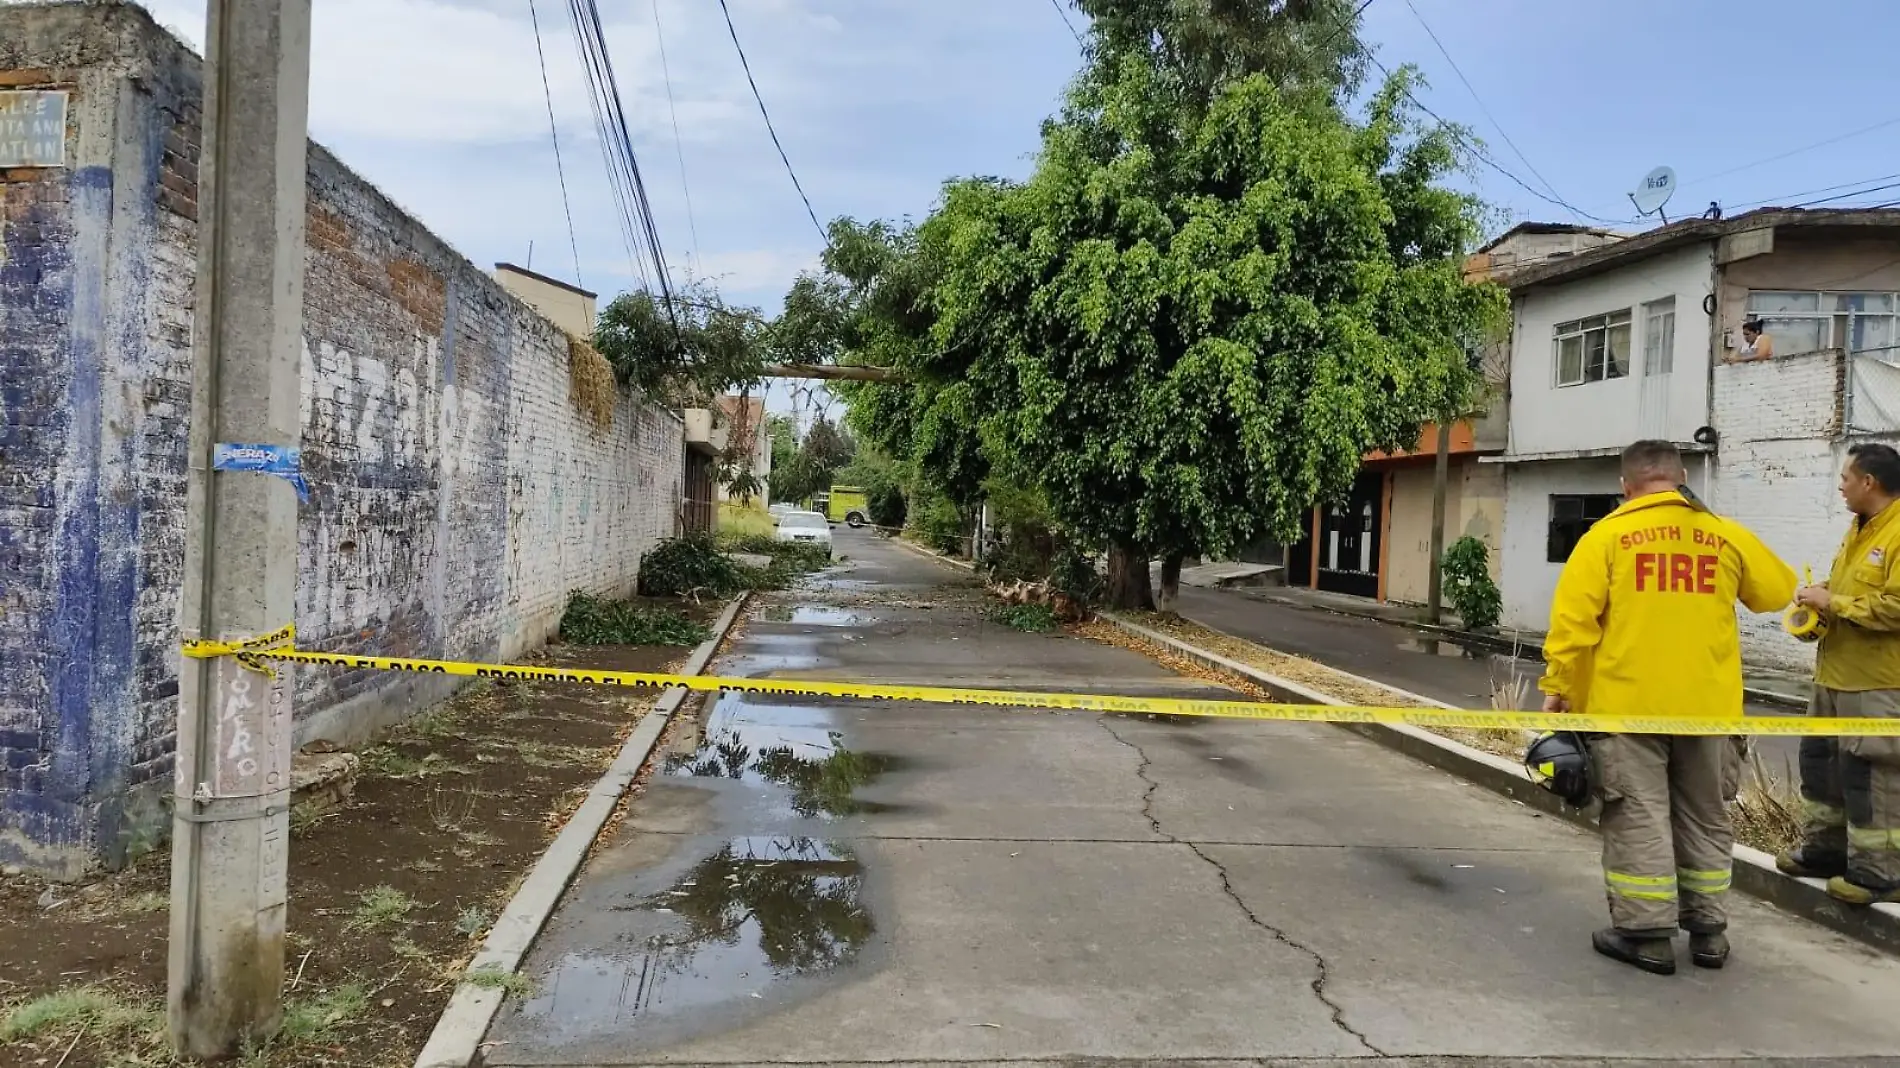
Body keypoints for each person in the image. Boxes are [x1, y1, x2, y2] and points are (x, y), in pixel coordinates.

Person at [1540, 440, 1795, 975]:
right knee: (1705, 816)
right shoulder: (1722, 533)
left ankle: (1646, 935)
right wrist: (1706, 523)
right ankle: (1708, 933)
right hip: (1708, 711)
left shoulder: (1605, 536)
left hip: (1627, 709)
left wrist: (1557, 688)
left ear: (1624, 486)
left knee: (1638, 817)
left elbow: (1572, 625)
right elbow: (1777, 591)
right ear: (1682, 480)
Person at [1779, 442, 1900, 906]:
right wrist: (1820, 596)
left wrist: (1837, 603)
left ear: (1869, 482)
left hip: (1878, 683)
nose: (1841, 485)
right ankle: (1824, 852)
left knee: (1872, 777)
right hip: (1834, 676)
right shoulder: (1859, 529)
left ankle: (1879, 873)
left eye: (1846, 477)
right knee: (1823, 767)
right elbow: (1849, 589)